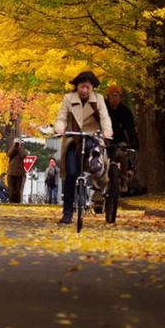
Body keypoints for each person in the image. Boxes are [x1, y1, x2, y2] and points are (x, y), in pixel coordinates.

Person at [54, 70, 112, 225]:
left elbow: (105, 117)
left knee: (98, 163)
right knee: (71, 174)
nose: (85, 90)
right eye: (82, 87)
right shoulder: (68, 98)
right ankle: (67, 213)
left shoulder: (98, 99)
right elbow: (61, 117)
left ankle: (98, 189)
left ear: (92, 88)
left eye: (88, 87)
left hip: (92, 138)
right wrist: (59, 128)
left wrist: (107, 132)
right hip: (74, 139)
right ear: (77, 86)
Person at [104, 83, 140, 149]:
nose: (114, 98)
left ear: (120, 98)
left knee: (122, 155)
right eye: (112, 95)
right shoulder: (102, 108)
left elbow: (130, 128)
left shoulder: (125, 111)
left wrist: (134, 142)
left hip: (119, 141)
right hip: (103, 140)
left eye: (116, 95)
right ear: (108, 97)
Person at [6, 138, 25, 203]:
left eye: (18, 142)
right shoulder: (12, 149)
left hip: (19, 173)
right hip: (11, 172)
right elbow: (9, 154)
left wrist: (19, 147)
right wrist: (14, 147)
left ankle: (17, 202)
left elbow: (24, 156)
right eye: (15, 142)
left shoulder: (21, 149)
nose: (16, 144)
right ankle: (11, 201)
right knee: (11, 189)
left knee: (17, 189)